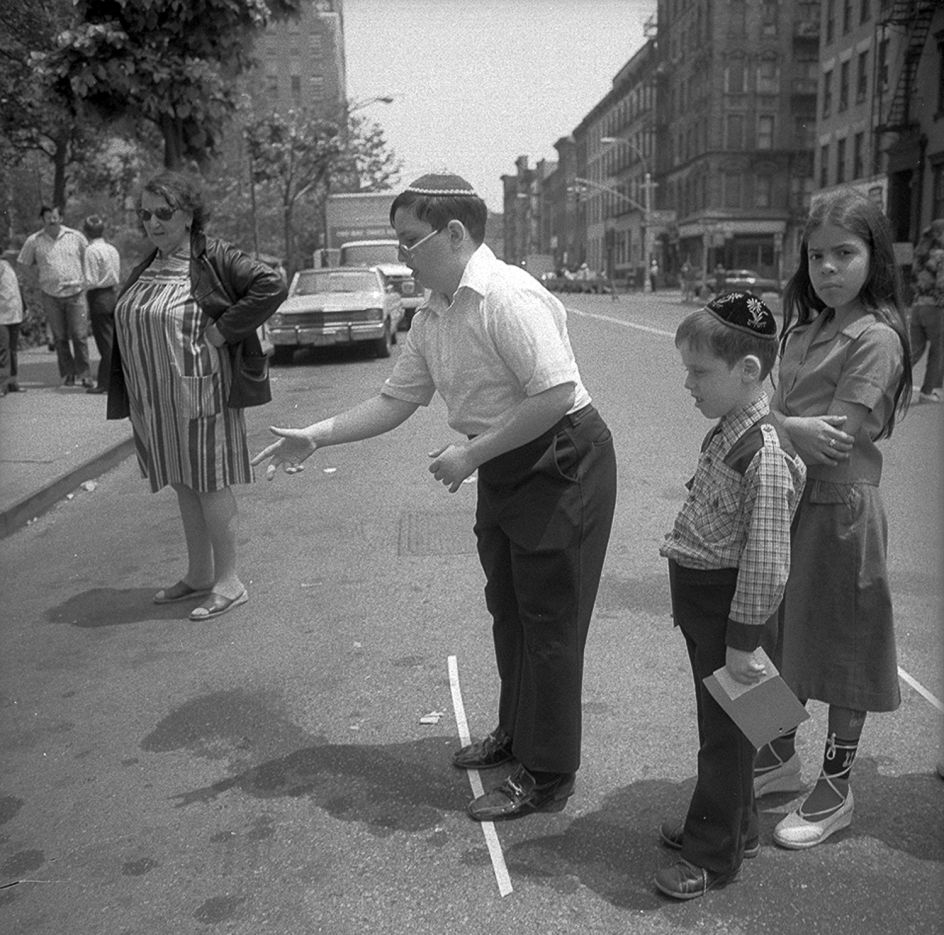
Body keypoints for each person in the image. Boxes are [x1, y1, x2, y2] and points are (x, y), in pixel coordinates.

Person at [252, 173, 617, 821]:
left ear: (455, 233)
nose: (402, 255)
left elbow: (557, 393)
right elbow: (396, 401)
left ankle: (548, 769)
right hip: (505, 456)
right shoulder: (434, 311)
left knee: (552, 623)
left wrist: (472, 454)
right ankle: (517, 732)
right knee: (510, 609)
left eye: (410, 241)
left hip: (561, 456)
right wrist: (317, 434)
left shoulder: (506, 297)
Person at [754, 188, 912, 849]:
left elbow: (833, 438)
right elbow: (766, 404)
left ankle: (836, 785)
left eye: (844, 253)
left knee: (843, 650)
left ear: (873, 256)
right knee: (763, 637)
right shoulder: (803, 326)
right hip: (781, 500)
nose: (827, 268)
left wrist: (771, 420)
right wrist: (779, 420)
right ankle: (774, 751)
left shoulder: (876, 337)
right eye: (816, 255)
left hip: (840, 508)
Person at [656, 293, 806, 900]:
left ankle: (711, 856)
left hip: (731, 618)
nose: (688, 384)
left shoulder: (764, 453)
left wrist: (743, 643)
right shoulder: (729, 431)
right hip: (708, 610)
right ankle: (737, 825)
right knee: (731, 729)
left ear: (748, 372)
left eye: (699, 372)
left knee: (725, 739)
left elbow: (767, 564)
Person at [107, 171, 286, 620]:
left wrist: (224, 330)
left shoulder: (213, 255)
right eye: (145, 214)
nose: (153, 222)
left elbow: (271, 285)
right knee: (183, 481)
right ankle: (200, 573)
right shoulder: (150, 262)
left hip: (200, 392)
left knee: (209, 480)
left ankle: (230, 581)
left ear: (188, 215)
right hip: (154, 399)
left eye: (164, 212)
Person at [17, 205, 91, 387]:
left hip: (76, 293)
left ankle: (85, 374)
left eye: (55, 216)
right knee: (59, 337)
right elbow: (23, 264)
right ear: (43, 219)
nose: (52, 220)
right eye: (48, 216)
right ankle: (68, 374)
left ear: (61, 218)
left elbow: (88, 258)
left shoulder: (76, 237)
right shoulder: (34, 240)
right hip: (50, 296)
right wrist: (37, 282)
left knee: (80, 335)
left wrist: (86, 281)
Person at [83, 215, 121, 395]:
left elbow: (90, 280)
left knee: (105, 342)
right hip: (112, 294)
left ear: (86, 232)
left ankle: (106, 383)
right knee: (112, 339)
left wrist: (77, 283)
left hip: (98, 297)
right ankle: (108, 380)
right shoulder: (112, 249)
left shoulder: (90, 251)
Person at [908, 219, 943, 404]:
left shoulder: (919, 254)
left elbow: (913, 282)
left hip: (917, 306)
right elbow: (941, 284)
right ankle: (927, 392)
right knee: (938, 350)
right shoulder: (940, 255)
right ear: (939, 235)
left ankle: (889, 384)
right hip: (935, 309)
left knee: (914, 351)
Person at [0, 235, 26, 395]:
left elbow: (17, 288)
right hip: (1, 315)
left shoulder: (9, 266)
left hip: (14, 313)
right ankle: (2, 383)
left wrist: (24, 306)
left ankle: (12, 381)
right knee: (3, 349)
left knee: (12, 350)